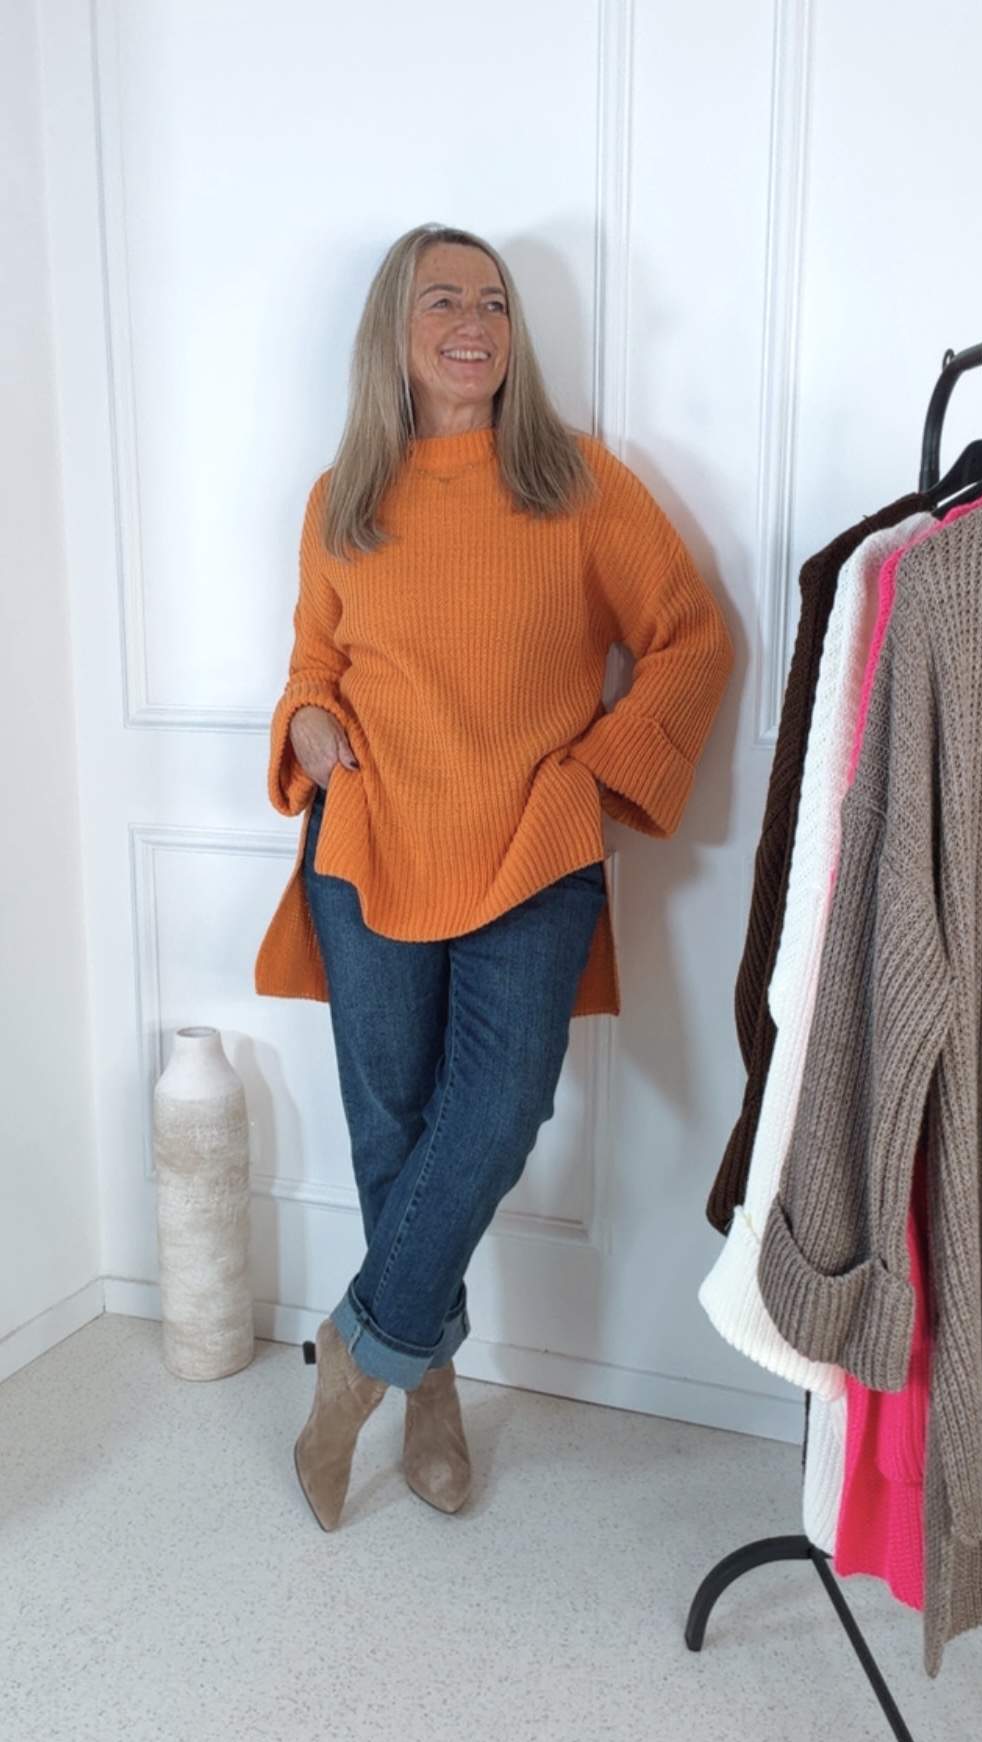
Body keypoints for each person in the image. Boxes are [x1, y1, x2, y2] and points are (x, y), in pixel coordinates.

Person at [255, 223, 733, 1531]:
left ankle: (357, 1352)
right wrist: (307, 724)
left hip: (534, 841)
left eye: (494, 302)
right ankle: (431, 1393)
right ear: (394, 332)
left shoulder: (575, 482)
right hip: (369, 836)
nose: (473, 323)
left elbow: (690, 638)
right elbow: (311, 668)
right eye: (442, 301)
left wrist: (601, 774)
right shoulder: (341, 500)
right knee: (393, 1126)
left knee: (503, 1105)